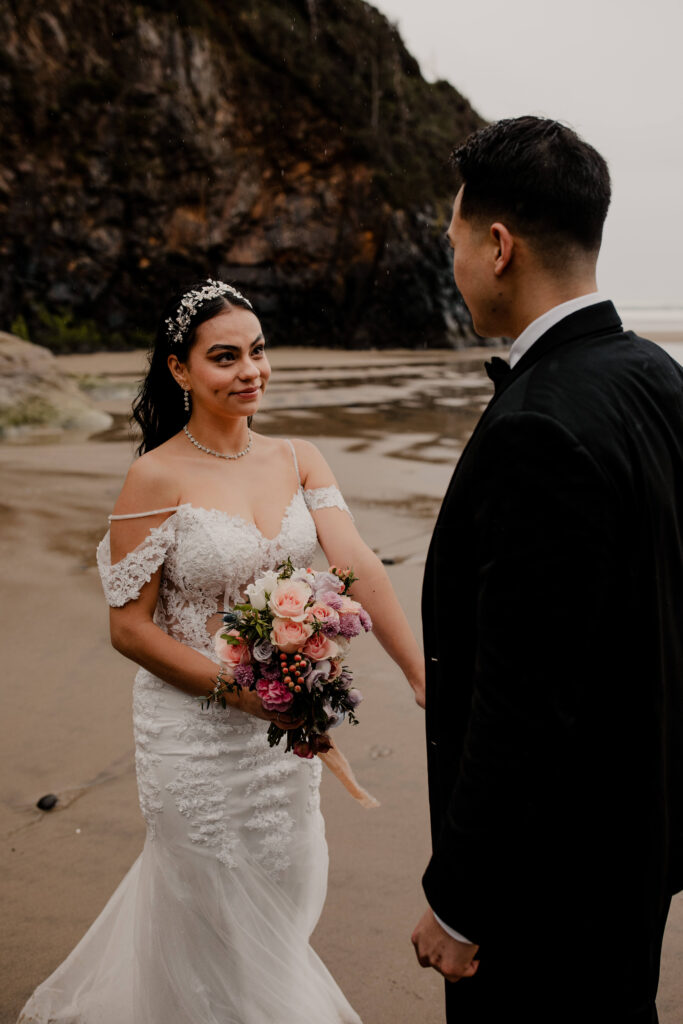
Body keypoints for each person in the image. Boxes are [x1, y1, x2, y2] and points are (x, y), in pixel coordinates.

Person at [18, 278, 425, 1024]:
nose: (250, 372)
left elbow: (357, 565)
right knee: (212, 912)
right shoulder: (154, 475)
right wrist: (242, 690)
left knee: (288, 889)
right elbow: (129, 627)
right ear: (180, 370)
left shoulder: (300, 458)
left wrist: (415, 670)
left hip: (283, 740)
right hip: (195, 734)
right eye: (225, 357)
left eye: (258, 352)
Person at [411, 117, 683, 1023]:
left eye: (452, 241)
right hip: (639, 839)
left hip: (548, 884)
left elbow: (523, 703)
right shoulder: (658, 376)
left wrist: (460, 899)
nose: (450, 266)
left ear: (497, 247)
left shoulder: (538, 426)